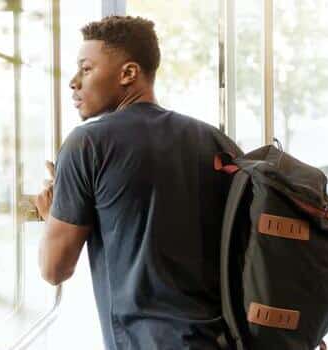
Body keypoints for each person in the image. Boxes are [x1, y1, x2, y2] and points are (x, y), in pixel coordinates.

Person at [32, 15, 239, 349]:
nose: (74, 82)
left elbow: (53, 269)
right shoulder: (215, 141)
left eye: (86, 69)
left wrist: (51, 215)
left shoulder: (87, 144)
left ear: (128, 73)